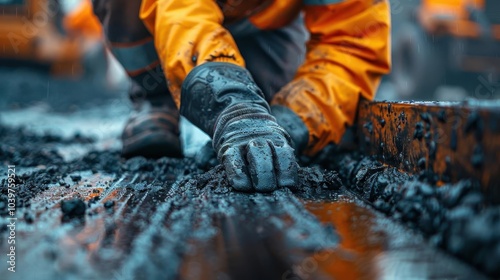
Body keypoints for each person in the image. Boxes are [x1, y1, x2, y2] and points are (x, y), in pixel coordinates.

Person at [87, 0, 391, 192]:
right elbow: (181, 12)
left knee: (270, 114)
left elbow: (352, 41)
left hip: (262, 18)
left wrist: (296, 119)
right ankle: (157, 98)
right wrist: (232, 104)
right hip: (162, 13)